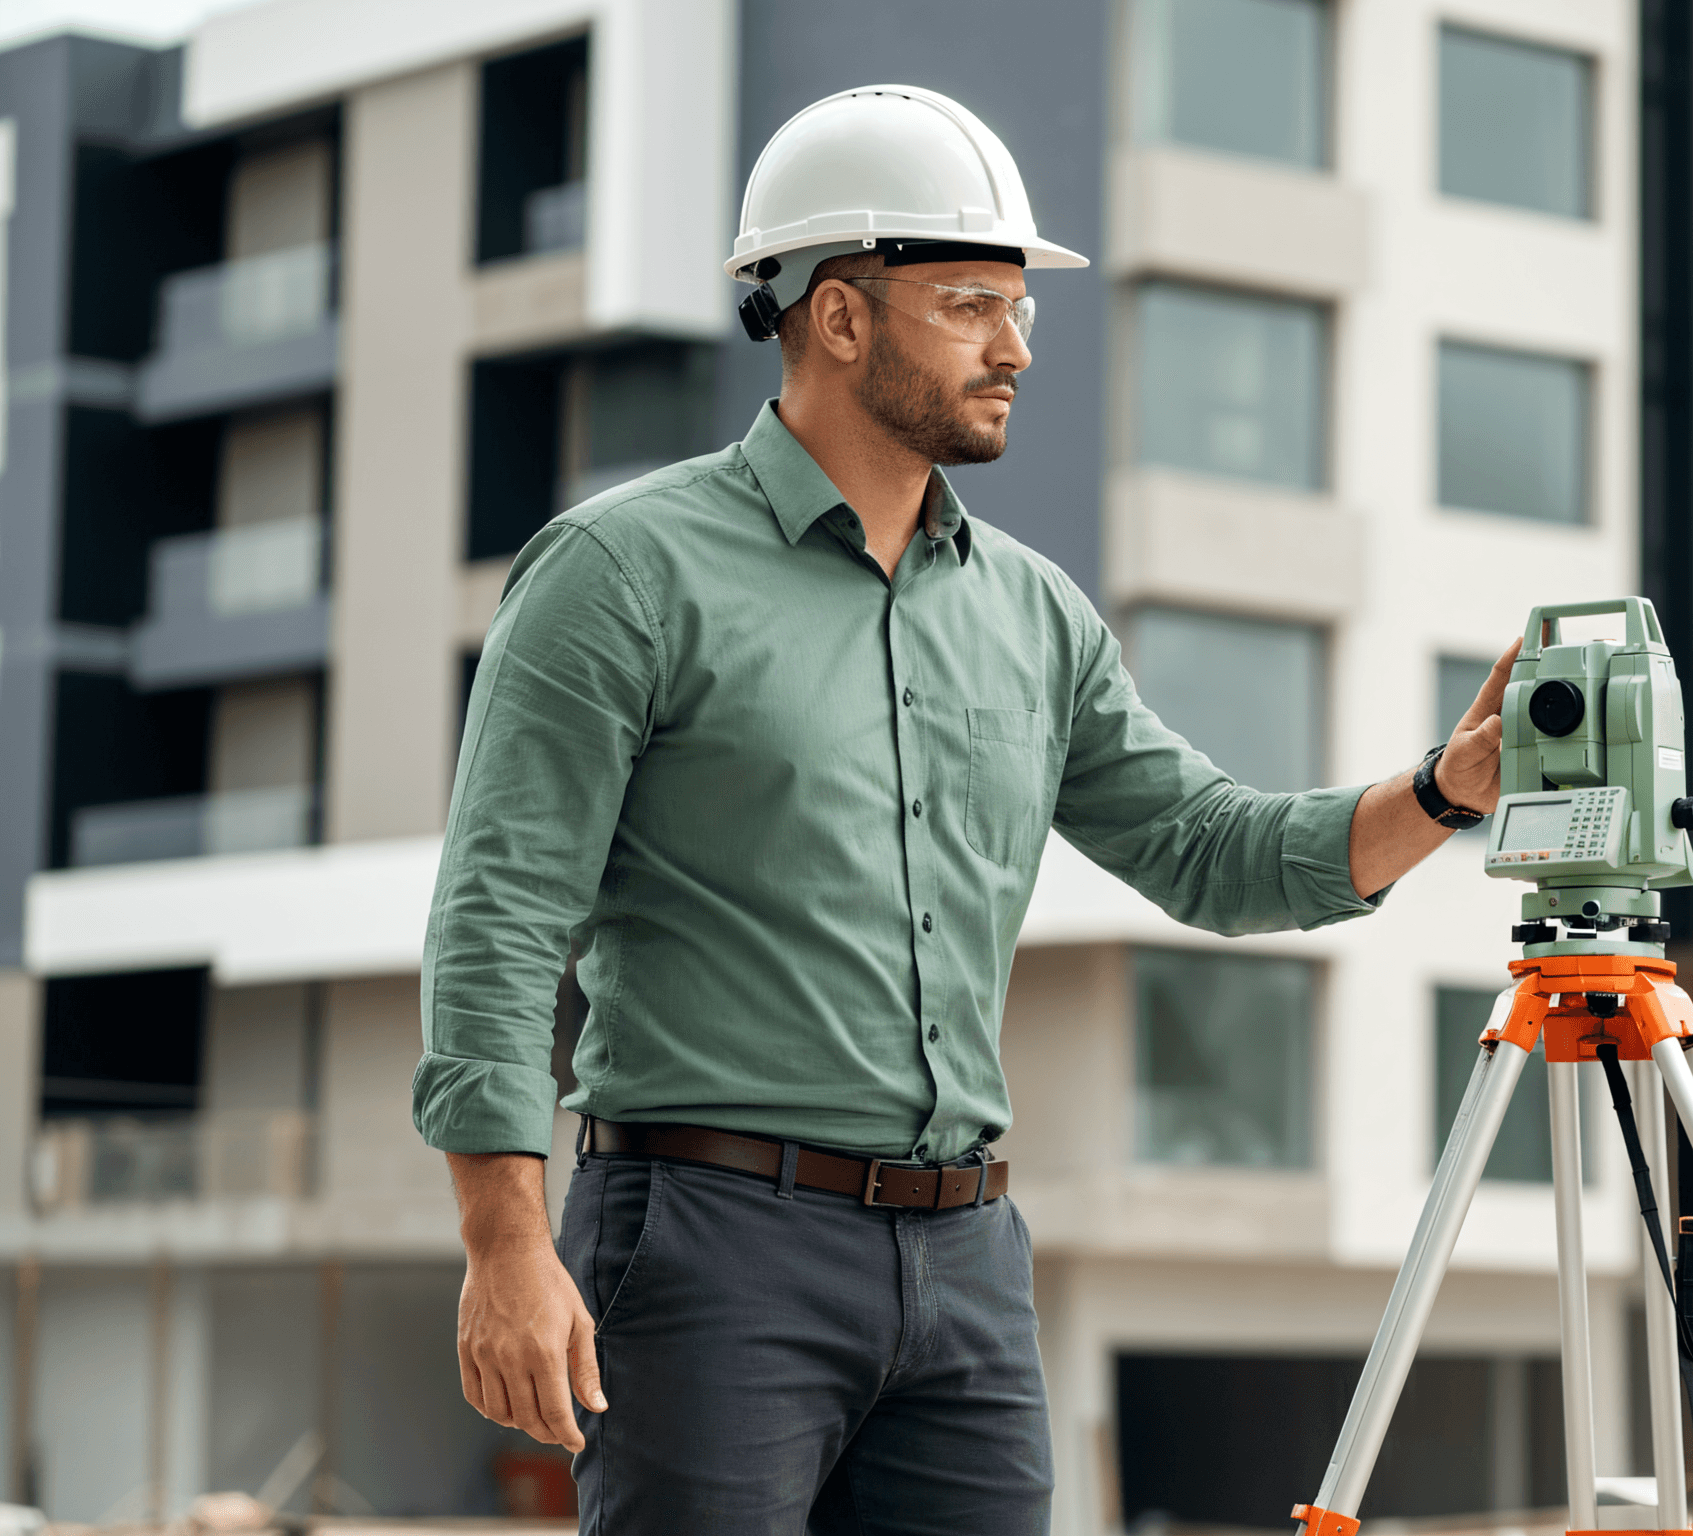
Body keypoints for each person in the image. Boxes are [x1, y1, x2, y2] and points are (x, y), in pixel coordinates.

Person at [414, 86, 1513, 1535]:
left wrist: (1445, 789)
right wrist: (502, 1244)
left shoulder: (1033, 614)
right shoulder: (620, 574)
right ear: (837, 315)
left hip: (968, 1264)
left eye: (1019, 308)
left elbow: (1212, 852)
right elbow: (499, 919)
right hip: (710, 1247)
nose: (1016, 348)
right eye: (971, 305)